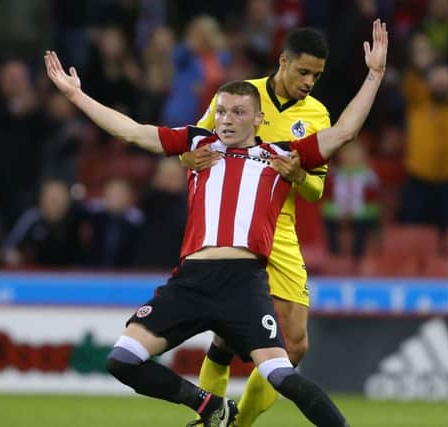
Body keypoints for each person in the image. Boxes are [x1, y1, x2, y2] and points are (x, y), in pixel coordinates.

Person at [43, 18, 387, 427]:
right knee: (122, 359)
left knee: (284, 370)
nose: (225, 119)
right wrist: (77, 95)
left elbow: (345, 133)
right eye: (221, 111)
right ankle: (211, 408)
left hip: (244, 280)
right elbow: (133, 132)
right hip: (191, 278)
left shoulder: (280, 156)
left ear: (257, 120)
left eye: (237, 112)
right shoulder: (197, 145)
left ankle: (243, 420)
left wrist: (375, 74)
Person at [186, 27, 332, 426]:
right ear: (283, 61)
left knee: (296, 345)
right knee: (225, 338)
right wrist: (190, 160)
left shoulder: (317, 115)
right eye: (303, 72)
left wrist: (298, 176)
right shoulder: (240, 96)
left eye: (316, 76)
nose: (308, 82)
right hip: (234, 223)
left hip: (280, 227)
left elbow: (316, 190)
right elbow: (196, 147)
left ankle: (238, 422)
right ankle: (211, 421)